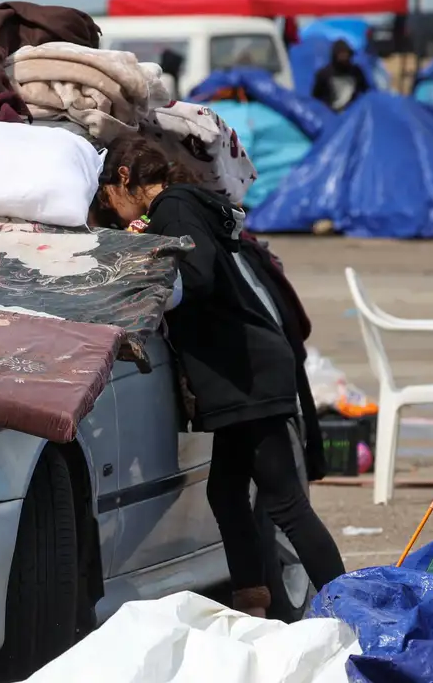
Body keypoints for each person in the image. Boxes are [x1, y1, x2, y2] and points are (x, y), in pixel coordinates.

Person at [96, 133, 346, 618]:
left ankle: (354, 609)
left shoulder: (173, 205)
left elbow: (201, 273)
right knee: (226, 491)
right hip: (243, 368)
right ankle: (252, 602)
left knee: (284, 503)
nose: (111, 213)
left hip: (244, 371)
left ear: (123, 179)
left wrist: (147, 287)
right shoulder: (184, 205)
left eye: (108, 201)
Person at [310, 40, 371, 112]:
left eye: (346, 54)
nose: (344, 57)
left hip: (353, 115)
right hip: (331, 115)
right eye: (341, 55)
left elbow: (366, 92)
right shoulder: (324, 74)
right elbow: (316, 98)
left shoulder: (356, 72)